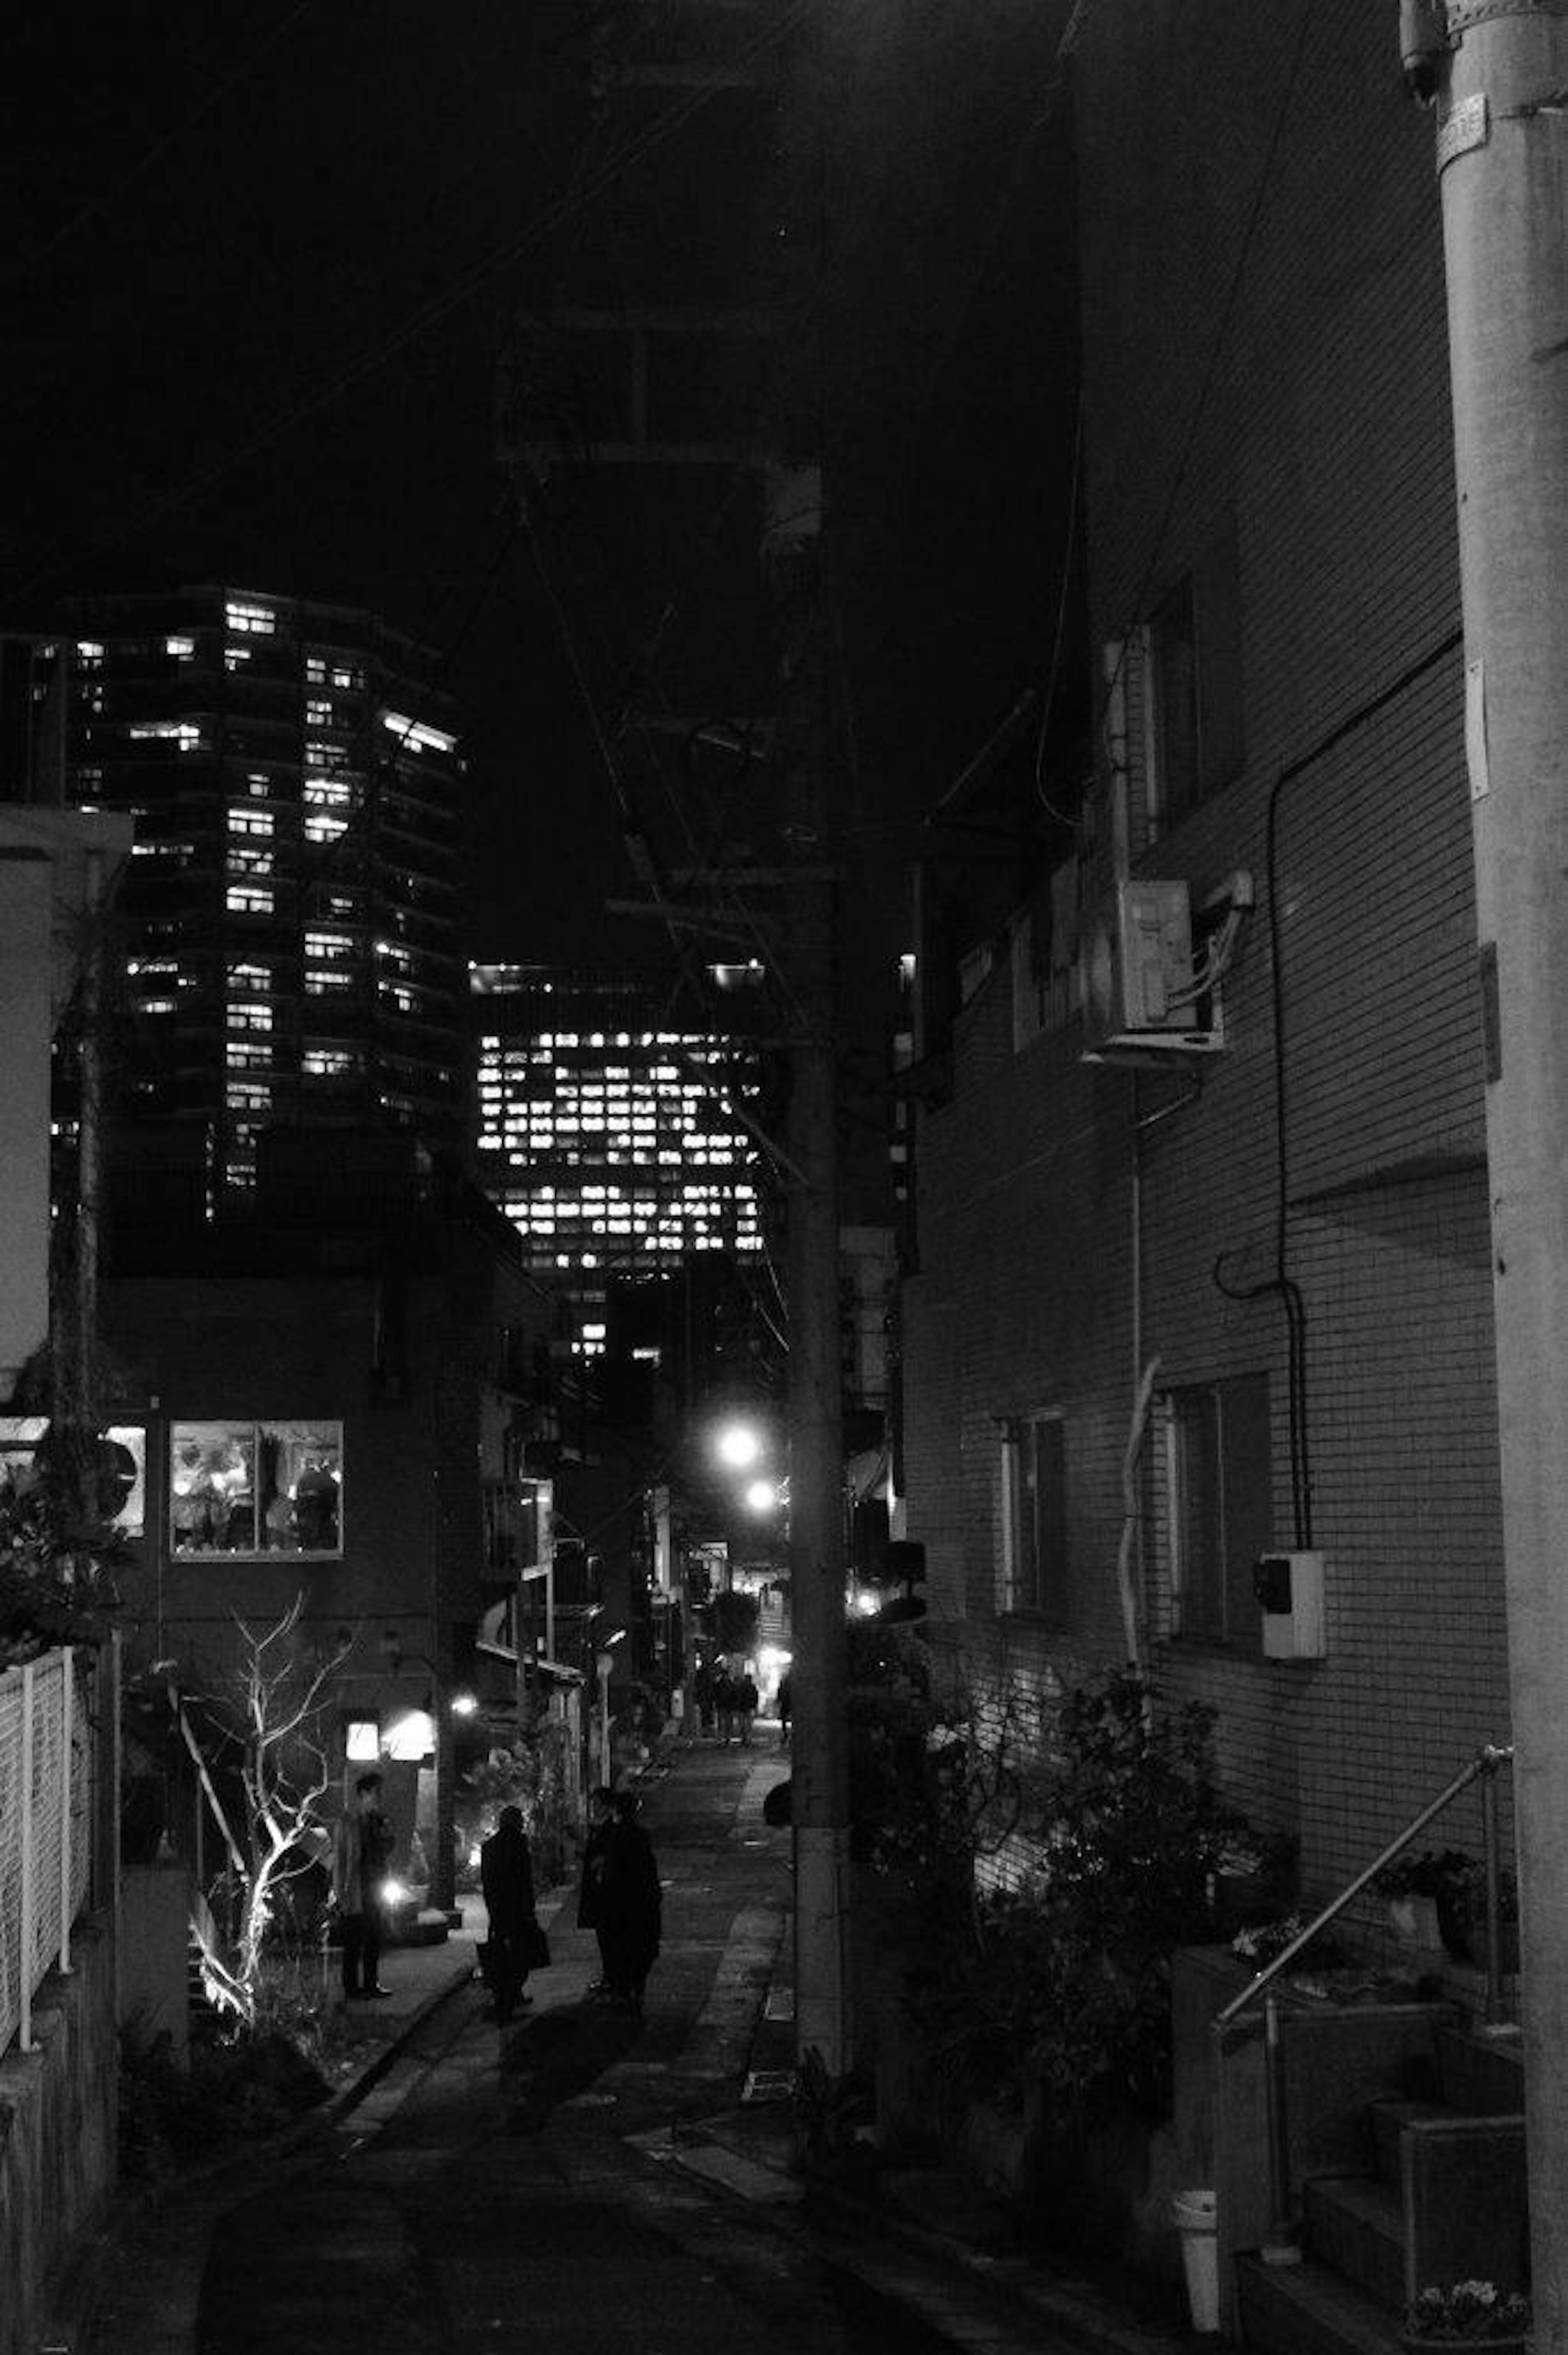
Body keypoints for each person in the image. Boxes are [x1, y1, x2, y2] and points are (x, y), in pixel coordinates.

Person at [597, 1788, 662, 2018]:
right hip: (638, 1899)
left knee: (624, 1945)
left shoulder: (618, 1836)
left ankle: (626, 1990)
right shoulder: (638, 1836)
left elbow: (613, 1872)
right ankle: (636, 1987)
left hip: (624, 1901)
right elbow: (647, 1868)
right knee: (640, 1945)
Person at [331, 1770, 395, 1999]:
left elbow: (388, 1848)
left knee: (373, 1939)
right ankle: (352, 1988)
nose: (380, 1797)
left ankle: (371, 1984)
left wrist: (383, 1828)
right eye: (377, 1792)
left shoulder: (378, 1821)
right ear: (364, 1793)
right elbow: (339, 1860)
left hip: (375, 1889)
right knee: (353, 1943)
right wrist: (340, 1892)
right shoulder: (348, 1822)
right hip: (356, 1890)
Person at [479, 1804, 538, 2023]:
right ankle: (509, 2000)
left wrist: (492, 1909)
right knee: (519, 1955)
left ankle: (506, 1997)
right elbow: (524, 1880)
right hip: (517, 1908)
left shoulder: (490, 1847)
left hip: (498, 1908)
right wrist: (529, 1909)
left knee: (501, 1953)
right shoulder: (518, 1844)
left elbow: (488, 1883)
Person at [576, 1785, 617, 1996]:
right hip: (598, 1889)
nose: (594, 1807)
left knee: (609, 1936)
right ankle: (610, 1977)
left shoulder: (611, 1829)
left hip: (606, 1892)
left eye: (597, 1803)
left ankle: (612, 1978)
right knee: (604, 1936)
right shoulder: (601, 1827)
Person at [736, 1667, 759, 1746]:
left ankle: (744, 1739)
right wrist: (755, 1707)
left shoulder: (741, 1687)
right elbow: (756, 1698)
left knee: (743, 1725)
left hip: (743, 1708)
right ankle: (748, 1739)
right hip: (748, 1708)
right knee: (748, 1725)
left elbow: (738, 1697)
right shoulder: (752, 1687)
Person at [775, 1671, 792, 1746]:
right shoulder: (792, 1685)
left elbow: (779, 1694)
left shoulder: (783, 1685)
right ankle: (789, 1734)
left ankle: (785, 1734)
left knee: (784, 1720)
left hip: (785, 1704)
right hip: (790, 1704)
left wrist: (778, 1701)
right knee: (788, 1719)